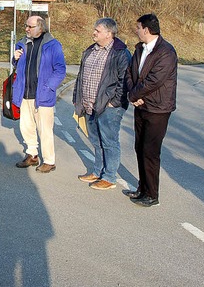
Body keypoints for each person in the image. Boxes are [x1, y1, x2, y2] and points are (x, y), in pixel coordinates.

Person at [123, 14, 178, 207]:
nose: (136, 31)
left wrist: (135, 95)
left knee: (151, 151)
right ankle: (142, 188)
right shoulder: (139, 49)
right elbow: (130, 73)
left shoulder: (166, 52)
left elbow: (155, 80)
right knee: (139, 147)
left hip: (157, 109)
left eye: (138, 27)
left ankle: (152, 194)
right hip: (141, 105)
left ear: (146, 29)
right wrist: (133, 93)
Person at [73, 18, 130, 190]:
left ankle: (110, 177)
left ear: (108, 33)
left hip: (109, 108)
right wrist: (78, 97)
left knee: (109, 142)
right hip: (90, 104)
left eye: (97, 30)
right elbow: (81, 76)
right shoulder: (91, 50)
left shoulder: (120, 53)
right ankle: (98, 171)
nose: (94, 33)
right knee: (96, 141)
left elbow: (125, 81)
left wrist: (114, 102)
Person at [11, 16, 66, 173]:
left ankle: (49, 161)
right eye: (26, 26)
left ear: (41, 28)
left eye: (30, 26)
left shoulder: (52, 45)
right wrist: (15, 59)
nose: (27, 29)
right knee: (26, 127)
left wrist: (49, 87)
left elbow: (60, 69)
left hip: (42, 94)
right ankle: (32, 155)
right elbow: (17, 66)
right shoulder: (22, 43)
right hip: (24, 92)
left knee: (45, 129)